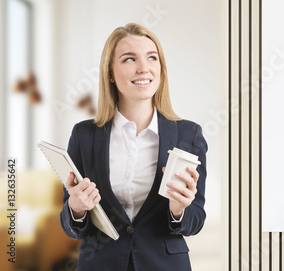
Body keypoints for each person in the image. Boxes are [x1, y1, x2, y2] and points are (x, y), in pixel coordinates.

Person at [59, 23, 208, 271]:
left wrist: (179, 211)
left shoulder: (188, 134)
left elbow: (196, 219)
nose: (144, 68)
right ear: (110, 73)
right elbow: (71, 226)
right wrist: (76, 209)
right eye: (129, 59)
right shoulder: (84, 135)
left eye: (152, 58)